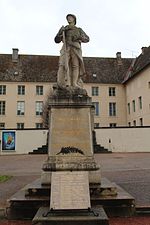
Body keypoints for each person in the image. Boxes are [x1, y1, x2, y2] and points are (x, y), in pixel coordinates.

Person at [54, 14, 89, 89]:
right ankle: (62, 83)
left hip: (76, 48)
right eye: (68, 18)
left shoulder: (79, 30)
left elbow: (87, 39)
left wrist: (79, 37)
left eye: (70, 17)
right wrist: (60, 33)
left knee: (75, 66)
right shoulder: (64, 29)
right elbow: (56, 40)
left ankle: (74, 83)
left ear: (74, 19)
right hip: (66, 48)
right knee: (62, 64)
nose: (69, 19)